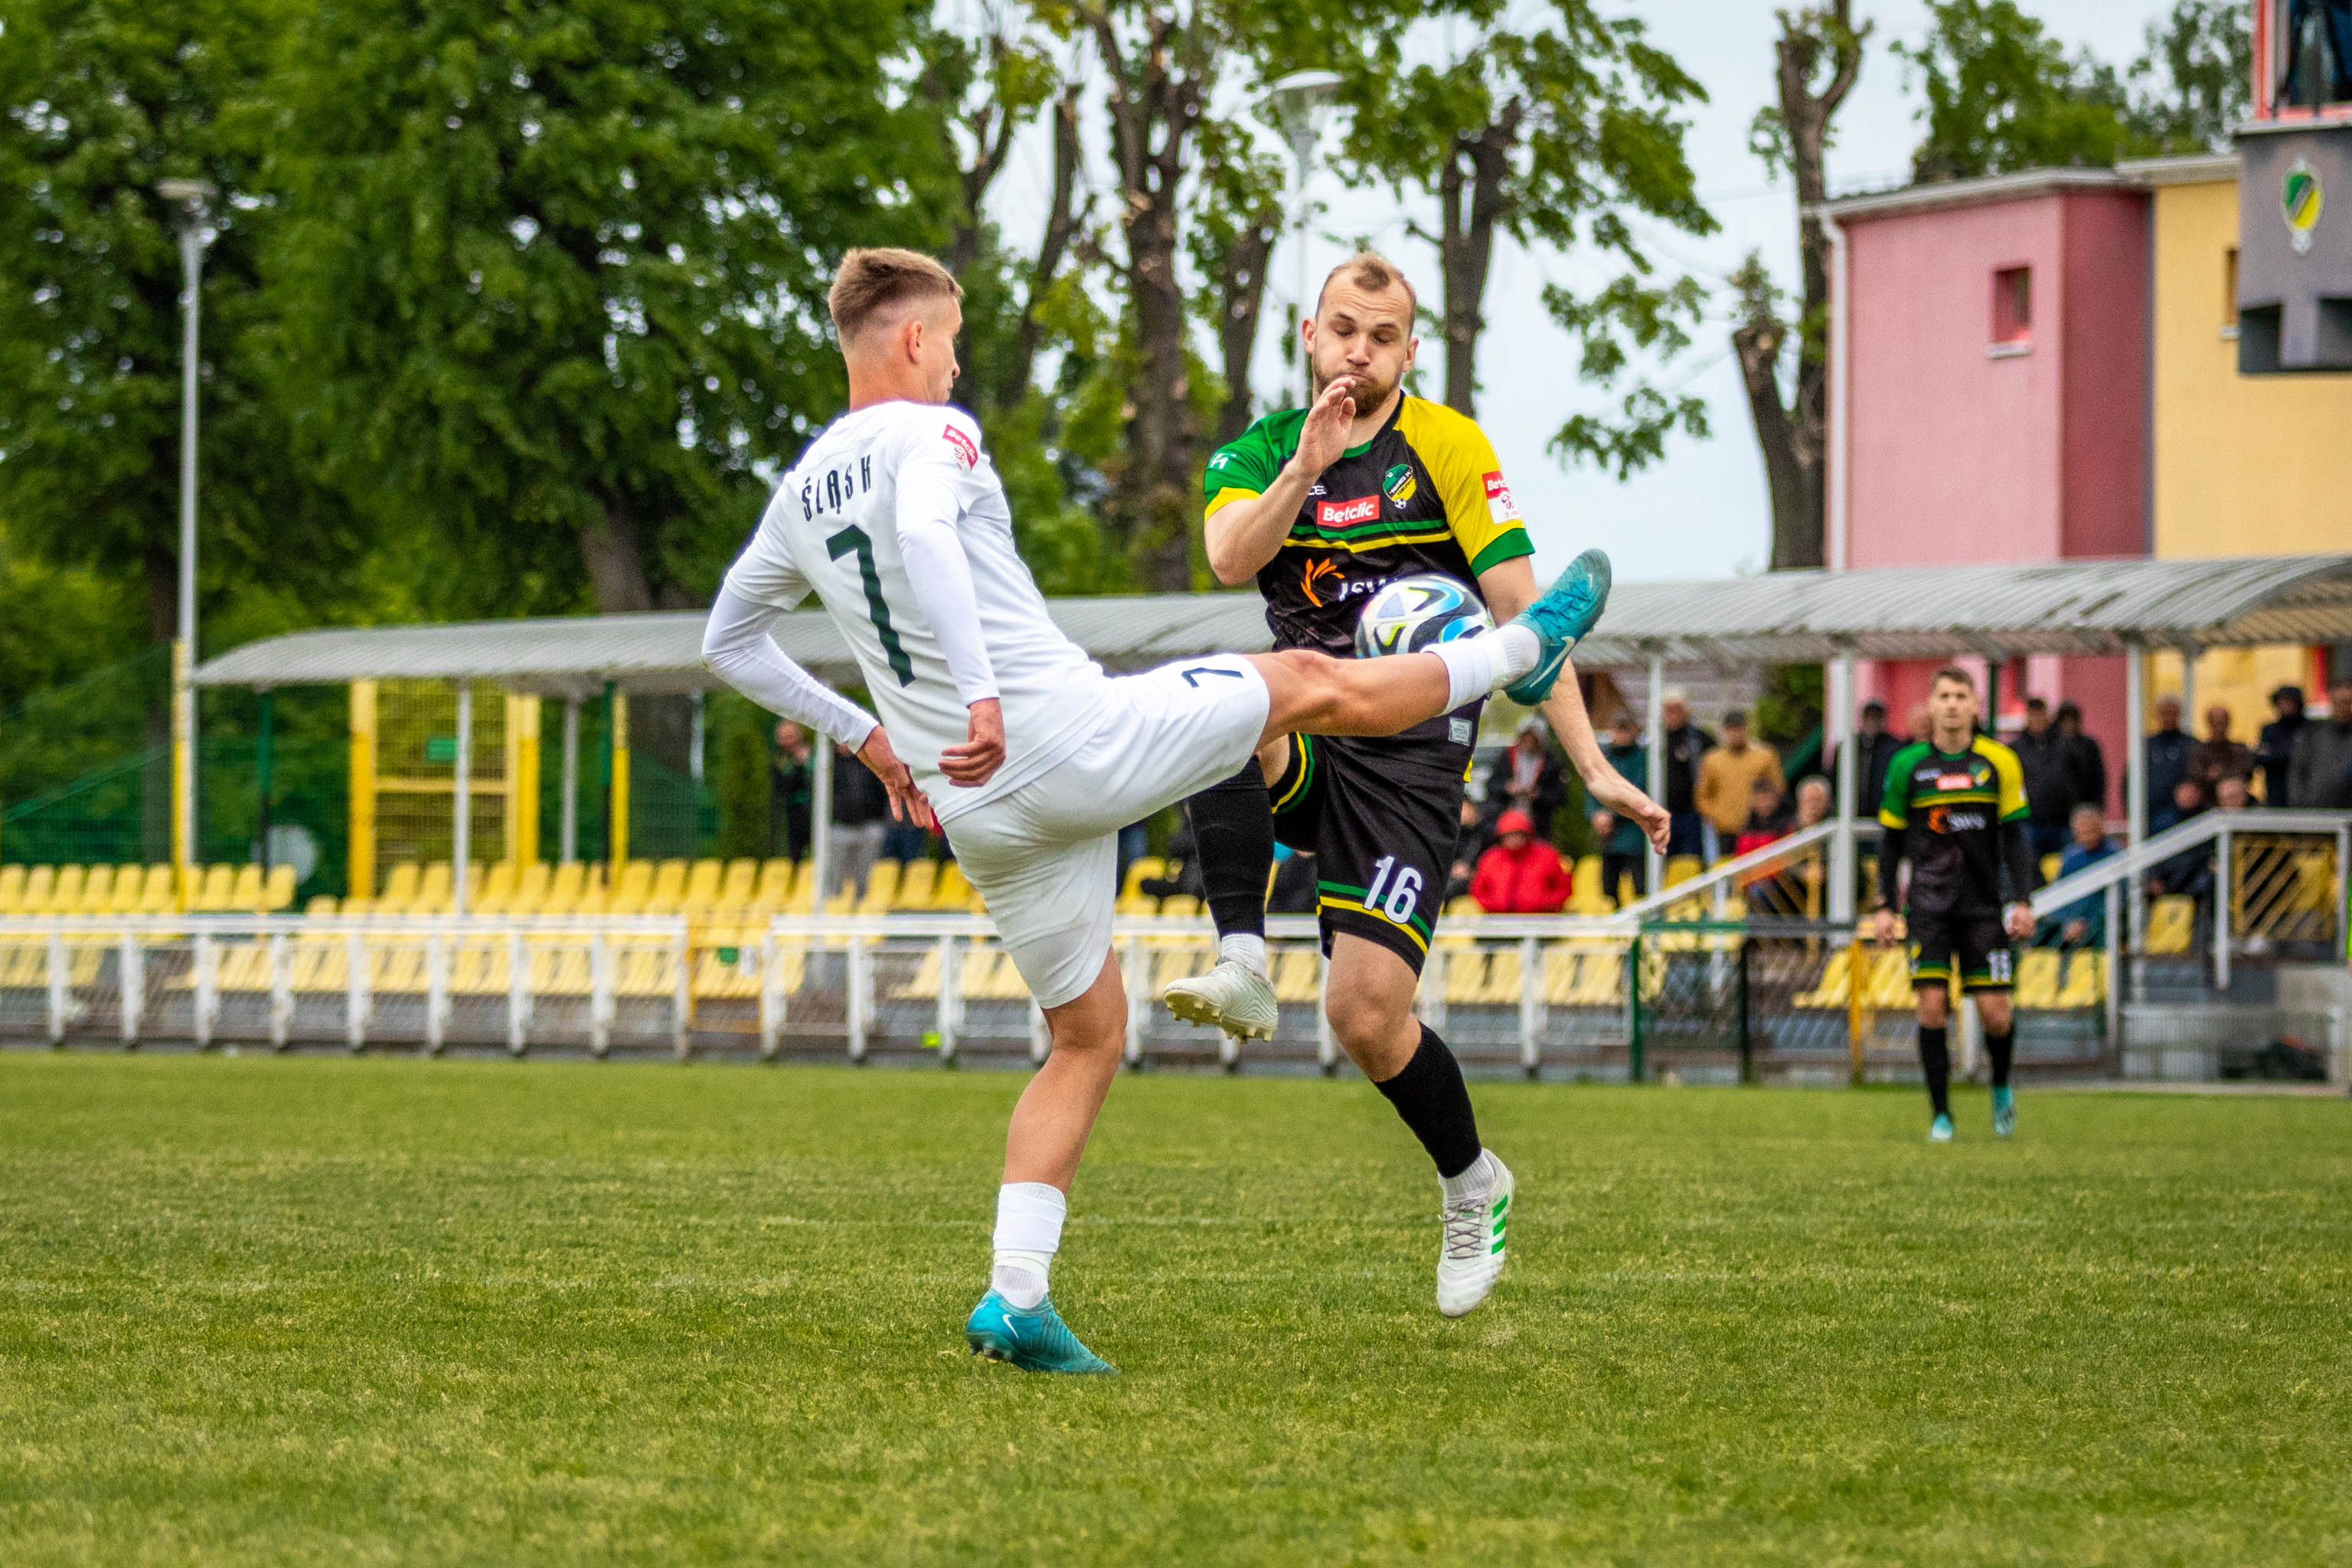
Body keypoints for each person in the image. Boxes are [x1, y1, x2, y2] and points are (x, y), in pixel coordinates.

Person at [700, 247, 1619, 1369]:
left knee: (1087, 1035)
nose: (957, 367)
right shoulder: (936, 434)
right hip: (1059, 739)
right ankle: (1518, 654)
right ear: (915, 339)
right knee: (1296, 680)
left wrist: (868, 735)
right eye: (952, 343)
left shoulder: (801, 491)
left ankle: (1017, 1295)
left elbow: (726, 642)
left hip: (976, 805)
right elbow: (936, 536)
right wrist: (983, 695)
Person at [1155, 251, 1668, 1321]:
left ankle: (1473, 1181)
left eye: (1383, 336)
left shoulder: (1448, 445)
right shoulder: (1259, 451)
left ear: (1411, 350)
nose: (1361, 351)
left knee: (1366, 1016)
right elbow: (1228, 558)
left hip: (1412, 758)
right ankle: (1243, 959)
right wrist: (1306, 466)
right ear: (1310, 334)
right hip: (1307, 726)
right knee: (1228, 699)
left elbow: (1529, 620)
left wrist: (1593, 766)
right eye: (1344, 329)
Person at [1873, 667, 2036, 1143]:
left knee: (1996, 1015)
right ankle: (1941, 1115)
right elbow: (1890, 840)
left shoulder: (1999, 761)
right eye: (1943, 695)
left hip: (1984, 908)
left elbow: (2015, 838)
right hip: (1928, 908)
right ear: (1931, 704)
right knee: (1931, 1008)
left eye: (1960, 696)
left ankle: (2000, 1087)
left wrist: (2023, 901)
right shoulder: (1907, 765)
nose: (1951, 704)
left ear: (1975, 705)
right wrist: (1885, 906)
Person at [1694, 708, 1782, 863]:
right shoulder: (1712, 760)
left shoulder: (1764, 756)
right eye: (1732, 729)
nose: (1736, 733)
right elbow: (1702, 797)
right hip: (1727, 830)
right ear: (1725, 731)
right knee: (1727, 868)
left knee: (1759, 868)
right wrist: (1718, 817)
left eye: (1740, 728)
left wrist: (1766, 809)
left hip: (1758, 828)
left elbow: (1778, 788)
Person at [2041, 803, 2118, 949]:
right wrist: (2067, 923)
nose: (2086, 838)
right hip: (2068, 926)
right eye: (2081, 833)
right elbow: (2059, 896)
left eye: (2091, 831)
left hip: (2102, 927)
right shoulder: (2071, 856)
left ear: (2101, 828)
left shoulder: (2115, 855)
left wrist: (2086, 922)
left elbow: (2118, 899)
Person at [1470, 809, 1572, 913]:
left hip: (1539, 917)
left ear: (1527, 835)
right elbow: (1478, 889)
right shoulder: (1490, 858)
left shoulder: (1547, 856)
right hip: (1498, 917)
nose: (1513, 839)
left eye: (1518, 834)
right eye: (1509, 835)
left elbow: (1563, 887)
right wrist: (1492, 905)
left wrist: (1546, 904)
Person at [2013, 697, 2076, 863]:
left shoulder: (2064, 745)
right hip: (2029, 821)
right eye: (2033, 714)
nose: (2038, 719)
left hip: (2061, 821)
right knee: (2030, 866)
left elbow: (2077, 778)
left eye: (2040, 714)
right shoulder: (2015, 749)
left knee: (2063, 867)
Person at [1595, 709, 1648, 904]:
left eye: (1626, 730)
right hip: (1609, 836)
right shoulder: (1603, 758)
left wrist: (1611, 815)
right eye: (1619, 730)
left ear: (1634, 731)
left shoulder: (1643, 758)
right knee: (1609, 890)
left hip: (1635, 832)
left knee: (1640, 888)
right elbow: (1593, 788)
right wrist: (1596, 815)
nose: (1622, 735)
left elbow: (1639, 791)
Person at [828, 738, 891, 898]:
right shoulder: (828, 766)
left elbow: (882, 793)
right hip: (841, 826)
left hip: (868, 825)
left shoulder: (869, 764)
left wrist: (878, 815)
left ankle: (863, 900)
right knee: (836, 871)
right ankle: (835, 900)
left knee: (867, 871)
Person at [1660, 690, 1714, 858]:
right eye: (1669, 710)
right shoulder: (1657, 740)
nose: (1673, 715)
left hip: (1692, 813)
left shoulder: (1699, 739)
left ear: (1686, 711)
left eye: (1677, 709)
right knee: (1663, 857)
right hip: (1663, 811)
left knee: (1691, 859)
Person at [1831, 698, 1903, 823]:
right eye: (1869, 717)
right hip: (1851, 814)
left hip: (1882, 815)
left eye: (1876, 717)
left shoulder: (1894, 747)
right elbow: (1834, 777)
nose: (1872, 722)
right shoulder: (1848, 746)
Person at [1495, 716, 1567, 838]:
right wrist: (1508, 788)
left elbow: (1559, 795)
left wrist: (1539, 795)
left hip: (1539, 822)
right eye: (1526, 737)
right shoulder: (1507, 756)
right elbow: (1492, 785)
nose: (1529, 742)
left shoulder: (1551, 761)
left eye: (1533, 739)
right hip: (1508, 817)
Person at [2288, 678, 2352, 809]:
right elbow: (2297, 769)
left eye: (2347, 702)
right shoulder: (2313, 733)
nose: (2344, 707)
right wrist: (2299, 802)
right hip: (2315, 809)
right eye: (2340, 702)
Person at [2255, 685, 2305, 805]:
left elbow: (2309, 759)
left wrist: (2275, 753)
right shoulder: (2269, 730)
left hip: (2305, 796)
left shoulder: (2309, 729)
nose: (2285, 705)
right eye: (2282, 702)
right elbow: (2260, 759)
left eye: (2289, 701)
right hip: (2276, 795)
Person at [769, 720, 813, 860]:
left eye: (791, 737)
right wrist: (799, 765)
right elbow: (784, 787)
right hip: (792, 816)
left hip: (816, 812)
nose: (788, 742)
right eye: (783, 738)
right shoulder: (780, 761)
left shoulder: (814, 755)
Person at [2055, 701, 2106, 818]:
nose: (2069, 724)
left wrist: (2097, 805)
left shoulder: (2089, 746)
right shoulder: (2053, 746)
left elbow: (2099, 777)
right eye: (2065, 720)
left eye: (2072, 719)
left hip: (2086, 807)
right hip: (2058, 811)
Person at [2143, 694, 2192, 815]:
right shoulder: (2146, 746)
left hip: (2184, 814)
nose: (2169, 718)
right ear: (2156, 715)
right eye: (2164, 713)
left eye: (2172, 713)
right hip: (2149, 812)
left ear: (2180, 714)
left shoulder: (2191, 744)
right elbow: (2130, 779)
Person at [2187, 704, 2254, 793]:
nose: (2219, 727)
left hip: (2235, 797)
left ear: (2228, 723)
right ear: (2208, 723)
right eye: (2215, 722)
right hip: (2207, 798)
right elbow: (2195, 776)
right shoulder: (2198, 750)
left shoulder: (2240, 749)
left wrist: (2219, 774)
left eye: (2222, 723)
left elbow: (2247, 774)